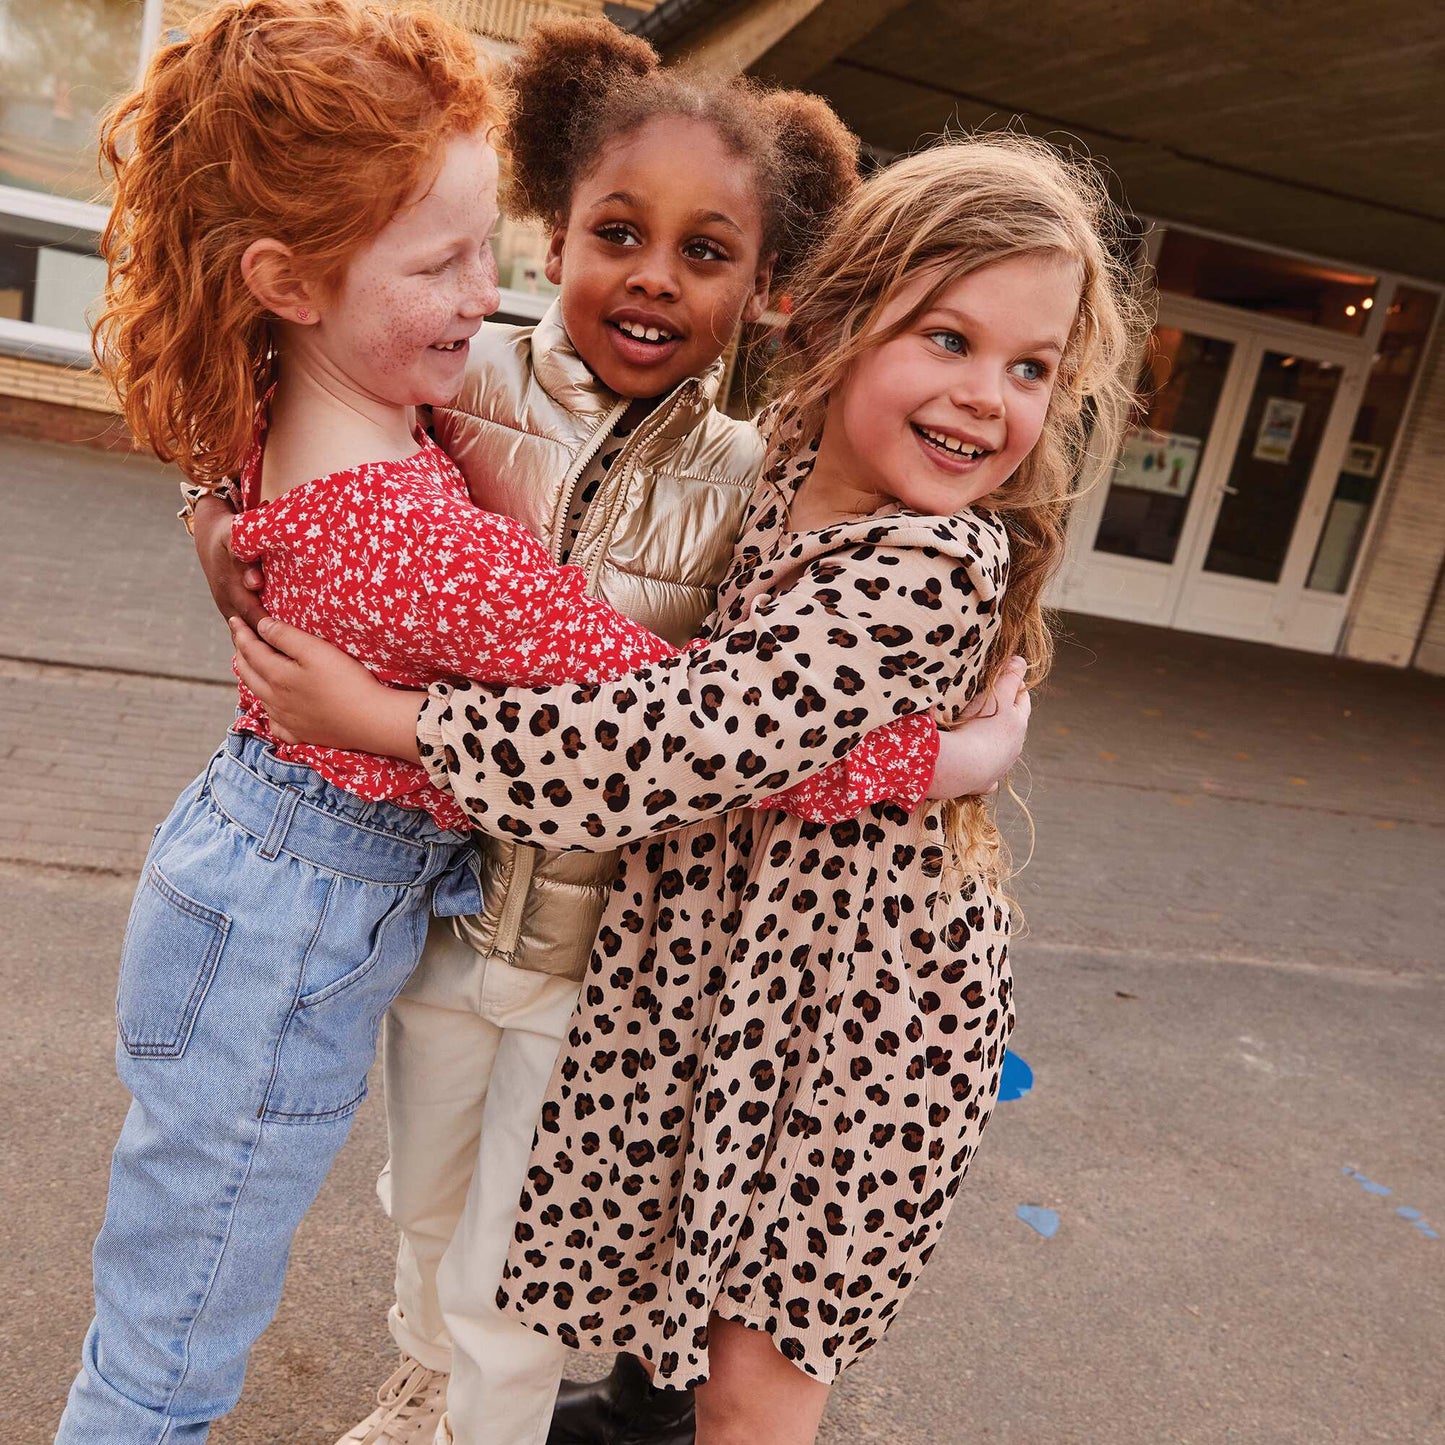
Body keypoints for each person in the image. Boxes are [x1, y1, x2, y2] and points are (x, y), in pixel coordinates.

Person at [56, 3, 976, 1439]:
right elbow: (688, 726)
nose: (476, 294)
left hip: (356, 893)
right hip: (344, 904)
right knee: (190, 1302)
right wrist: (943, 757)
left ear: (768, 285)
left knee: (260, 1264)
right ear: (287, 279)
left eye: (479, 251)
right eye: (442, 262)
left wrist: (233, 520)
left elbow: (230, 409)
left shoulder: (374, 407)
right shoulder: (424, 507)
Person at [231, 132, 1150, 1443]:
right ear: (831, 321)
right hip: (731, 995)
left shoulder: (930, 564)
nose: (983, 397)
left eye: (1029, 367)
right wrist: (230, 513)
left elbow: (677, 740)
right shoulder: (778, 476)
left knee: (751, 1387)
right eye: (944, 338)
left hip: (856, 1036)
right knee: (652, 1333)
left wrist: (389, 718)